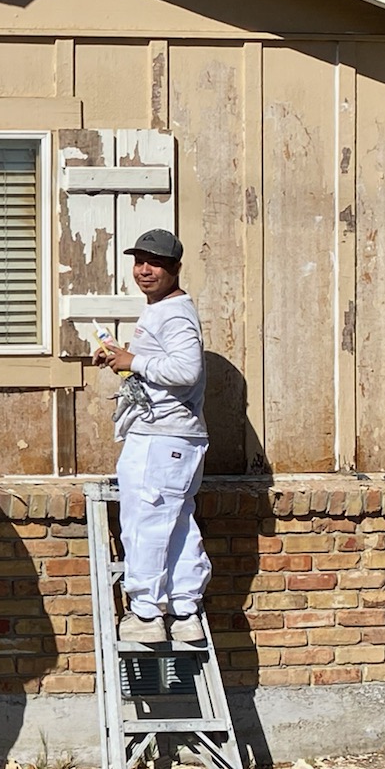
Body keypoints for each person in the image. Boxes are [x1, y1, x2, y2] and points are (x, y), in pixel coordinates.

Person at [92, 228, 212, 644]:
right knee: (174, 522)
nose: (144, 270)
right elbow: (165, 365)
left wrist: (134, 360)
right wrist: (122, 358)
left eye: (155, 263)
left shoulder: (174, 312)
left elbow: (185, 371)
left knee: (145, 522)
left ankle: (145, 613)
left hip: (162, 437)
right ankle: (184, 611)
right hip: (172, 436)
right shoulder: (165, 309)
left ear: (175, 268)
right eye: (139, 261)